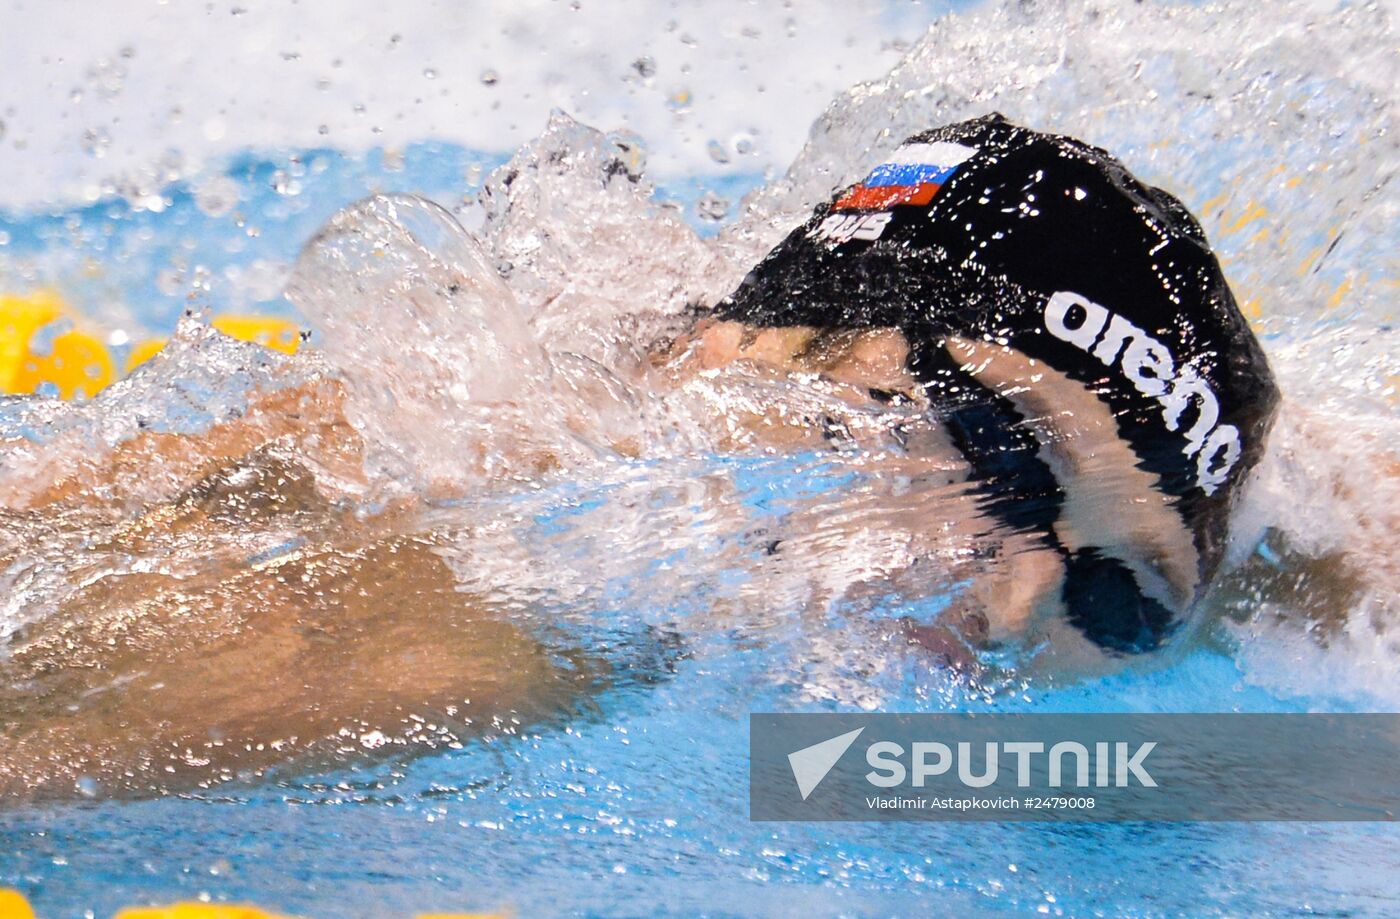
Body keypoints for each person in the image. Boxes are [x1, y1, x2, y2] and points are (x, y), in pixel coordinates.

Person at [663, 113, 1279, 656]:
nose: (1015, 613)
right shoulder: (625, 458)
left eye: (1115, 599)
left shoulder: (1292, 610)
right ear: (729, 358)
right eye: (998, 457)